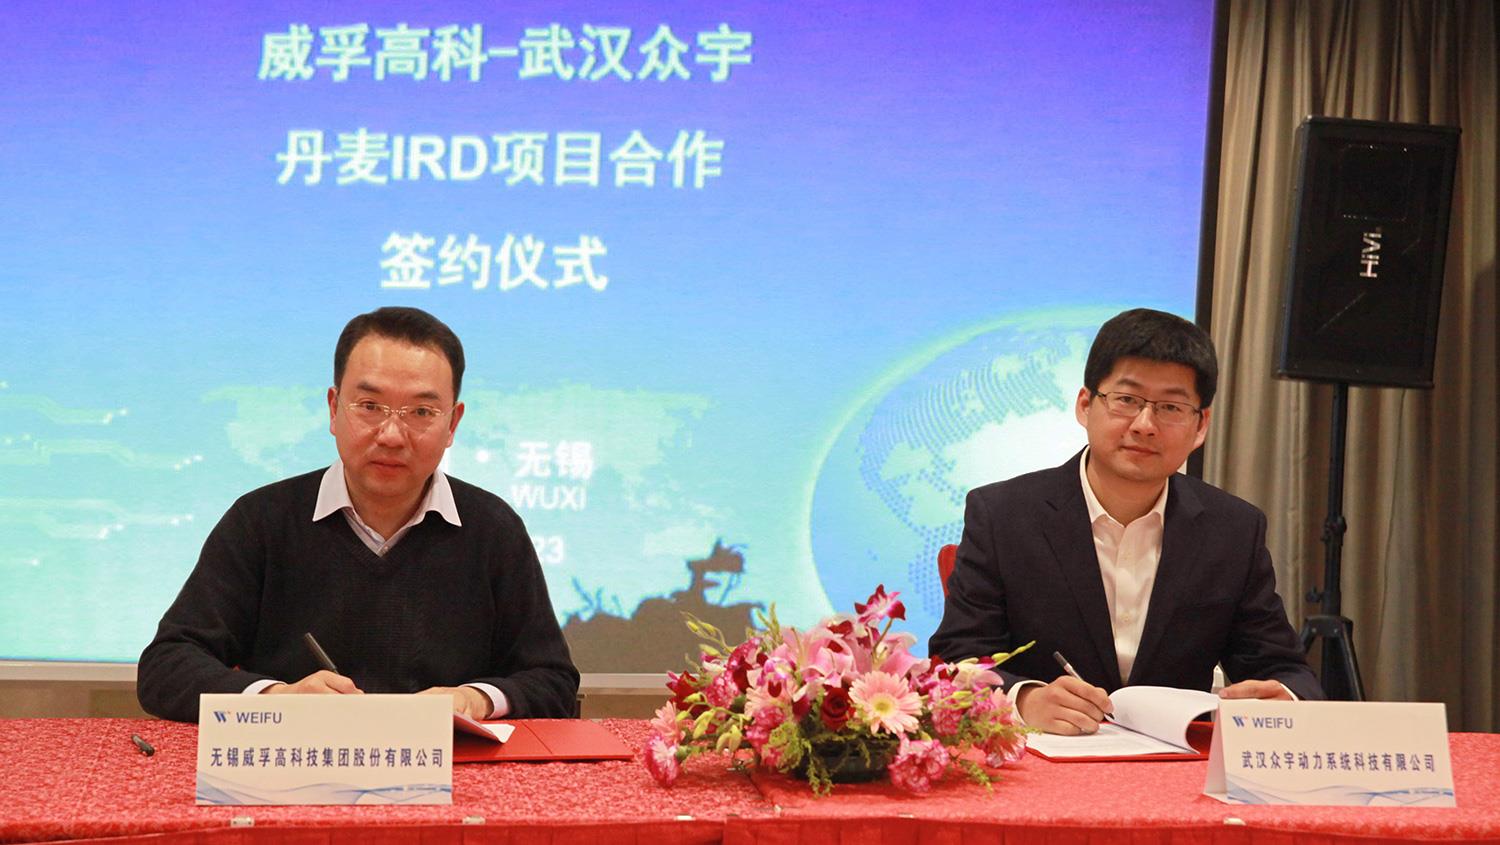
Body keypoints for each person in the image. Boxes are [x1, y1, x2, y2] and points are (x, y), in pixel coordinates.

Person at [138, 307, 579, 723]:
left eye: (421, 412)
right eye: (369, 407)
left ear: (453, 424)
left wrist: (474, 699)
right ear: (334, 409)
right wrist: (278, 698)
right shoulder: (262, 520)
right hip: (298, 768)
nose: (391, 435)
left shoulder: (492, 528)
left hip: (449, 770)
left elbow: (553, 680)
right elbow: (167, 666)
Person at [928, 308, 1321, 736]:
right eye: (1127, 400)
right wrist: (1023, 700)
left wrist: (1285, 697)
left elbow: (1284, 669)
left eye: (1171, 407)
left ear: (1201, 425)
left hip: (1175, 762)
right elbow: (957, 659)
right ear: (1085, 405)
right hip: (1045, 754)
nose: (1145, 425)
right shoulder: (1002, 514)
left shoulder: (1232, 529)